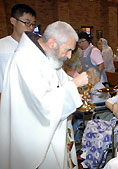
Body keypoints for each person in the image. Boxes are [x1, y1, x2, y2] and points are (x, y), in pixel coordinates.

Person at [0, 21, 89, 169]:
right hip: (36, 141)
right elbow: (42, 106)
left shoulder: (48, 57)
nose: (68, 56)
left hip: (55, 135)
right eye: (67, 50)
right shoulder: (25, 61)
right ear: (53, 43)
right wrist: (74, 86)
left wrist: (77, 93)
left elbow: (60, 82)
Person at [0, 4, 36, 100]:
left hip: (31, 99)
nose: (31, 27)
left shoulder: (35, 48)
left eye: (33, 24)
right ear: (13, 21)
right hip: (7, 100)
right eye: (27, 23)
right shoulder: (2, 46)